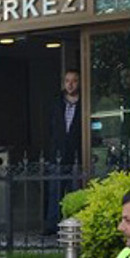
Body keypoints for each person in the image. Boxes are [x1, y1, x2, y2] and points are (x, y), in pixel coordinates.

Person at [44, 68, 82, 235]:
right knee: (55, 193)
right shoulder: (57, 102)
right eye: (67, 81)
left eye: (74, 81)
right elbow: (50, 128)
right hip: (57, 154)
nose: (70, 84)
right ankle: (53, 225)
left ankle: (75, 225)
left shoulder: (84, 103)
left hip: (77, 155)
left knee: (75, 193)